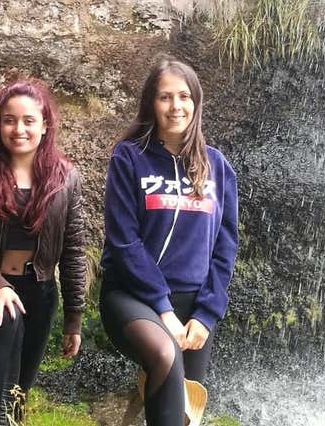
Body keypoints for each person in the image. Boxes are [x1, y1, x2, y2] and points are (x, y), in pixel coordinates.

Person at [99, 58, 238, 426]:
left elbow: (225, 248)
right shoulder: (129, 157)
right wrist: (163, 309)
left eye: (184, 96)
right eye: (165, 97)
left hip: (193, 304)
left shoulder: (217, 166)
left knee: (184, 410)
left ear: (196, 102)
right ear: (151, 104)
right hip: (132, 296)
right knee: (164, 354)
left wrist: (206, 315)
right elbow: (123, 241)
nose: (176, 106)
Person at [0, 77, 86, 425]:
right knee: (8, 321)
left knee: (21, 385)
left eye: (28, 120)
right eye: (9, 120)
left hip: (38, 290)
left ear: (45, 125)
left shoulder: (66, 179)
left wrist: (74, 318)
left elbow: (73, 251)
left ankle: (12, 418)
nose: (18, 129)